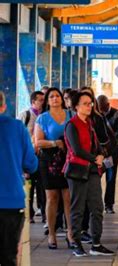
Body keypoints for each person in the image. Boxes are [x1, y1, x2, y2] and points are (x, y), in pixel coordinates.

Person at [64, 91, 114, 257]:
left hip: (92, 170)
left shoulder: (89, 123)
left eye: (90, 103)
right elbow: (77, 150)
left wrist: (101, 155)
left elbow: (96, 144)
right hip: (77, 171)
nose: (89, 106)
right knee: (77, 209)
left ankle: (96, 243)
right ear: (76, 106)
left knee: (97, 207)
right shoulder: (72, 125)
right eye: (85, 103)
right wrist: (96, 158)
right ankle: (76, 243)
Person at [0, 91, 38, 266]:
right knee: (8, 256)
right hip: (11, 202)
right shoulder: (17, 127)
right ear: (3, 106)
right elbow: (31, 164)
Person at [34, 88, 74, 249]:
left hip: (68, 160)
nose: (55, 98)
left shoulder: (71, 115)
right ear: (47, 101)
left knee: (68, 197)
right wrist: (54, 143)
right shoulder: (42, 118)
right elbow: (38, 142)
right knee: (52, 197)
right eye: (51, 96)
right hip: (49, 161)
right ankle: (51, 234)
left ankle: (70, 233)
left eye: (57, 96)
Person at [18, 91, 46, 224]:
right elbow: (18, 135)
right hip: (29, 156)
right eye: (40, 100)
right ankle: (29, 212)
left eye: (43, 100)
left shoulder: (45, 116)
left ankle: (43, 210)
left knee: (42, 185)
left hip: (42, 156)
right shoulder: (26, 115)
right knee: (29, 186)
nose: (42, 102)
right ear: (33, 101)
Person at [97, 95, 118, 214]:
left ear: (108, 105)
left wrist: (109, 140)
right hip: (99, 151)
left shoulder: (116, 114)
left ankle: (109, 204)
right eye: (99, 108)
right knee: (95, 178)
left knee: (111, 178)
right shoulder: (96, 115)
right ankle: (96, 203)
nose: (101, 111)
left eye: (103, 108)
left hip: (112, 151)